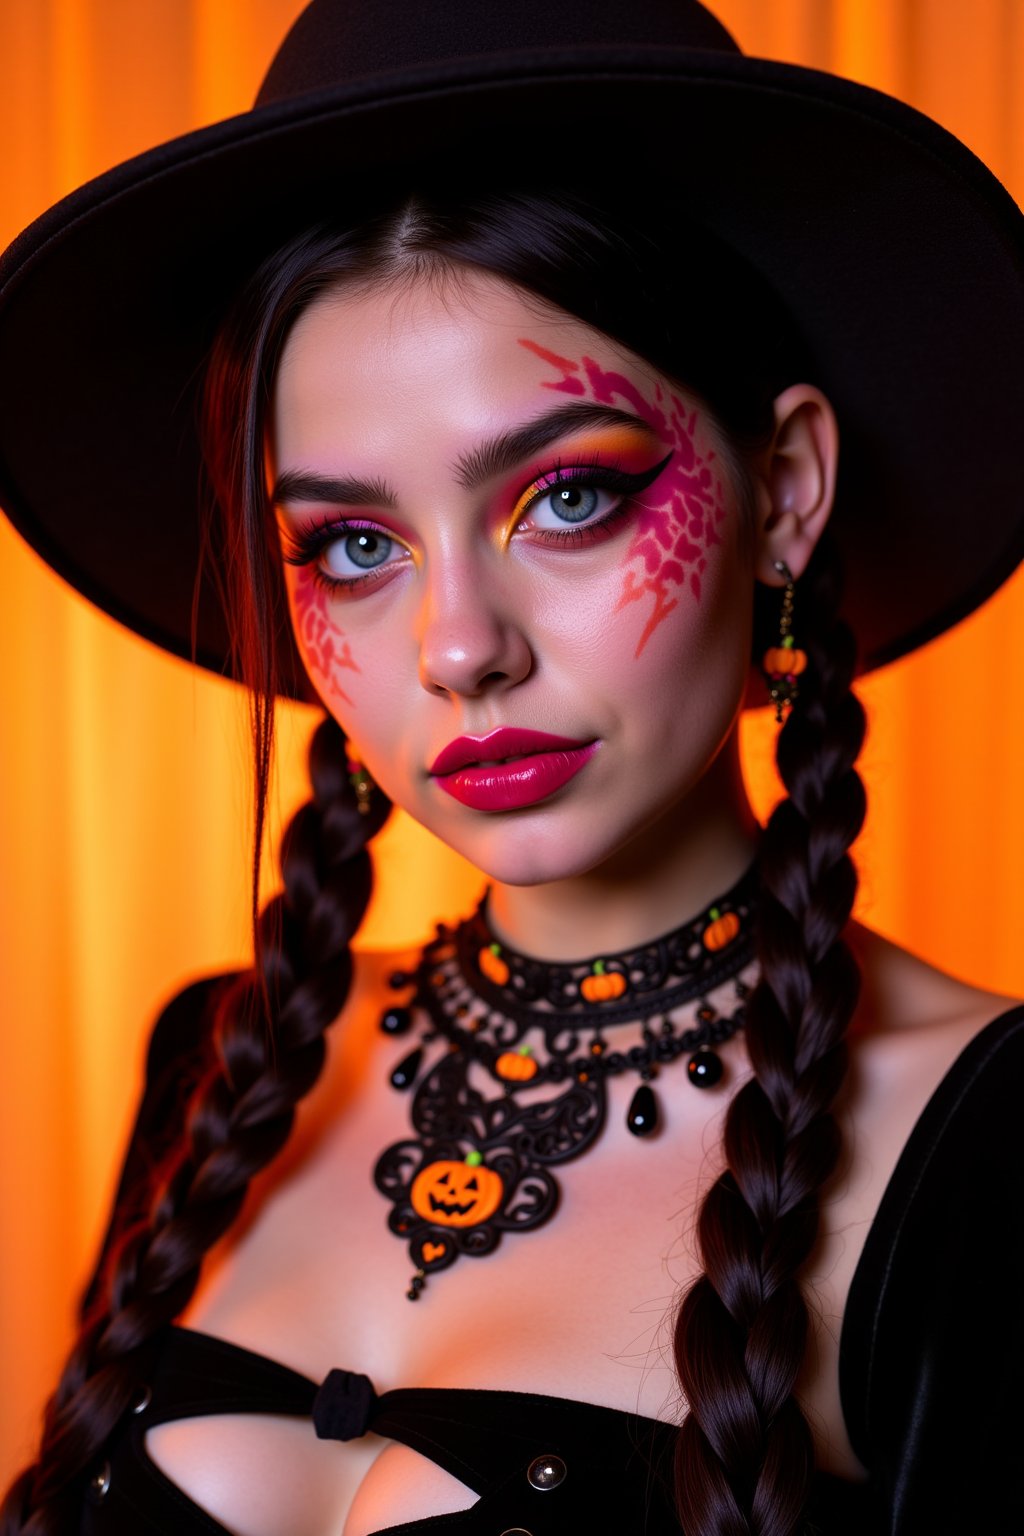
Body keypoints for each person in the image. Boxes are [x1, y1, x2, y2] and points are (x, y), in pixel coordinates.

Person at [1, 1, 1023, 1533]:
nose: (458, 646)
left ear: (788, 491)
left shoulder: (988, 1154)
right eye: (352, 546)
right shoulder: (218, 1060)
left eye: (566, 501)